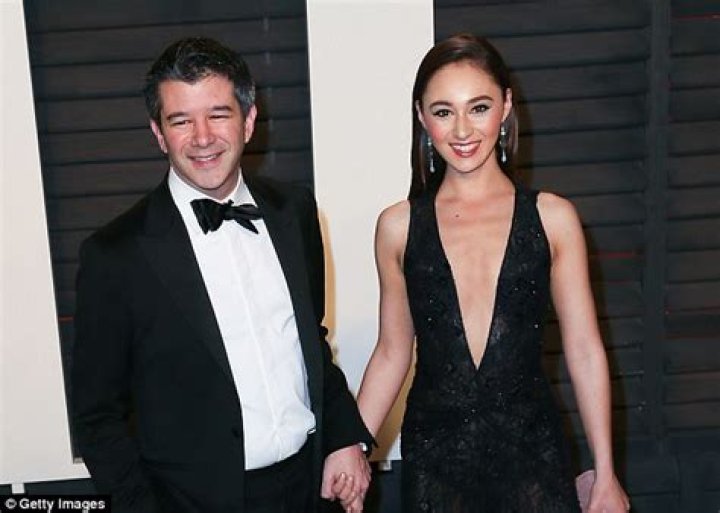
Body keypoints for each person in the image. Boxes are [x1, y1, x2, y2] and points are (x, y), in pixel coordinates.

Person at [71, 37, 372, 513]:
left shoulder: (293, 211)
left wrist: (343, 437)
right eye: (181, 121)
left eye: (218, 114)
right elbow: (96, 416)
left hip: (310, 490)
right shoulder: (115, 255)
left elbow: (309, 343)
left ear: (248, 121)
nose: (203, 137)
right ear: (158, 133)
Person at [355, 34, 631, 513]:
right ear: (422, 117)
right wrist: (352, 448)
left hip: (533, 452)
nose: (462, 129)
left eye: (478, 108)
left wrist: (605, 473)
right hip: (436, 458)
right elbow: (392, 351)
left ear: (505, 106)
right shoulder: (398, 227)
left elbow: (585, 349)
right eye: (443, 112)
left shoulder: (553, 218)